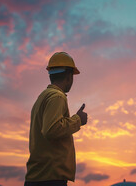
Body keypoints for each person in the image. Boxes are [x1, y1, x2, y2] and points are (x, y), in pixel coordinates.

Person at [25, 52, 88, 186]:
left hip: (39, 176)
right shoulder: (57, 97)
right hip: (50, 177)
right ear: (69, 76)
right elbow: (51, 130)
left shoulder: (43, 97)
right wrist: (78, 120)